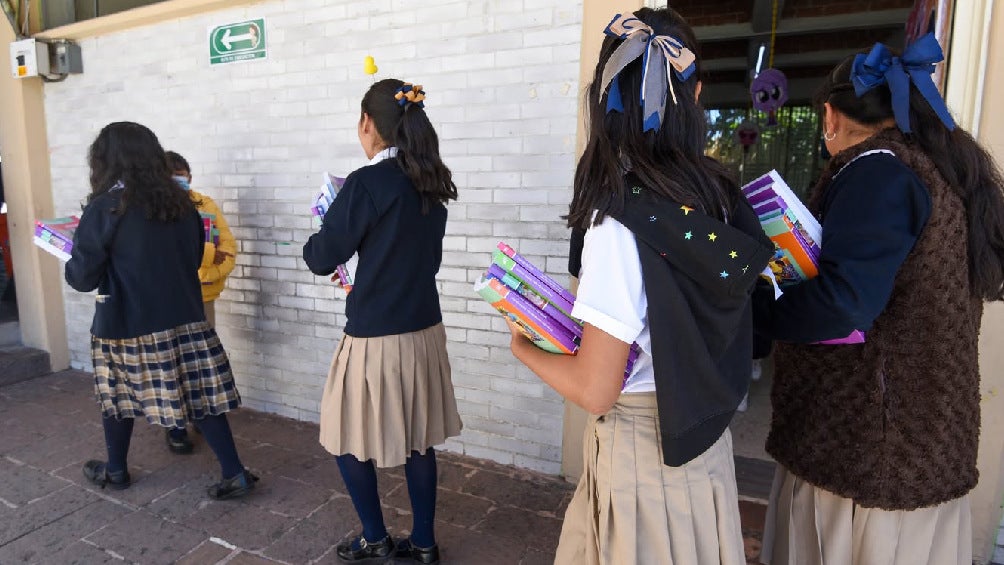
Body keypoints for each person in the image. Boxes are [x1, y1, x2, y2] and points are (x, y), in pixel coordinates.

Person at [511, 9, 773, 565]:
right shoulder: (722, 197)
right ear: (695, 93)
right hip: (704, 450)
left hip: (641, 456)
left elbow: (596, 389)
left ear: (604, 98)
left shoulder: (619, 220)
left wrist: (525, 346)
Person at [754, 34, 1004, 565]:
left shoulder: (876, 171)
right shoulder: (938, 172)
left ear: (830, 115)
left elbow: (844, 302)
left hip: (867, 455)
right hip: (917, 443)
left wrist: (753, 314)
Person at [303, 79, 461, 564]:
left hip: (375, 333)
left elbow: (320, 255)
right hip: (424, 329)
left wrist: (327, 229)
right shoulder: (430, 179)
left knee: (344, 433)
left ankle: (375, 537)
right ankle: (425, 544)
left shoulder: (366, 183)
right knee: (418, 440)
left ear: (367, 124)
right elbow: (402, 254)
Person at [65, 121, 258, 500]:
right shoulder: (182, 204)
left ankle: (117, 470)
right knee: (203, 395)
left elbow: (82, 278)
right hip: (185, 316)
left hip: (127, 321)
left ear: (105, 160)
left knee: (117, 397)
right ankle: (234, 472)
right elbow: (191, 260)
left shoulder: (106, 208)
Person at [161, 150, 238, 455]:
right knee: (171, 365)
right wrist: (208, 257)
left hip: (203, 298)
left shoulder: (205, 205)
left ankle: (202, 418)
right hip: (167, 300)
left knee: (201, 364)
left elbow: (228, 248)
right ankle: (175, 425)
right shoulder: (154, 211)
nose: (181, 181)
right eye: (173, 176)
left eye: (184, 175)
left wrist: (205, 273)